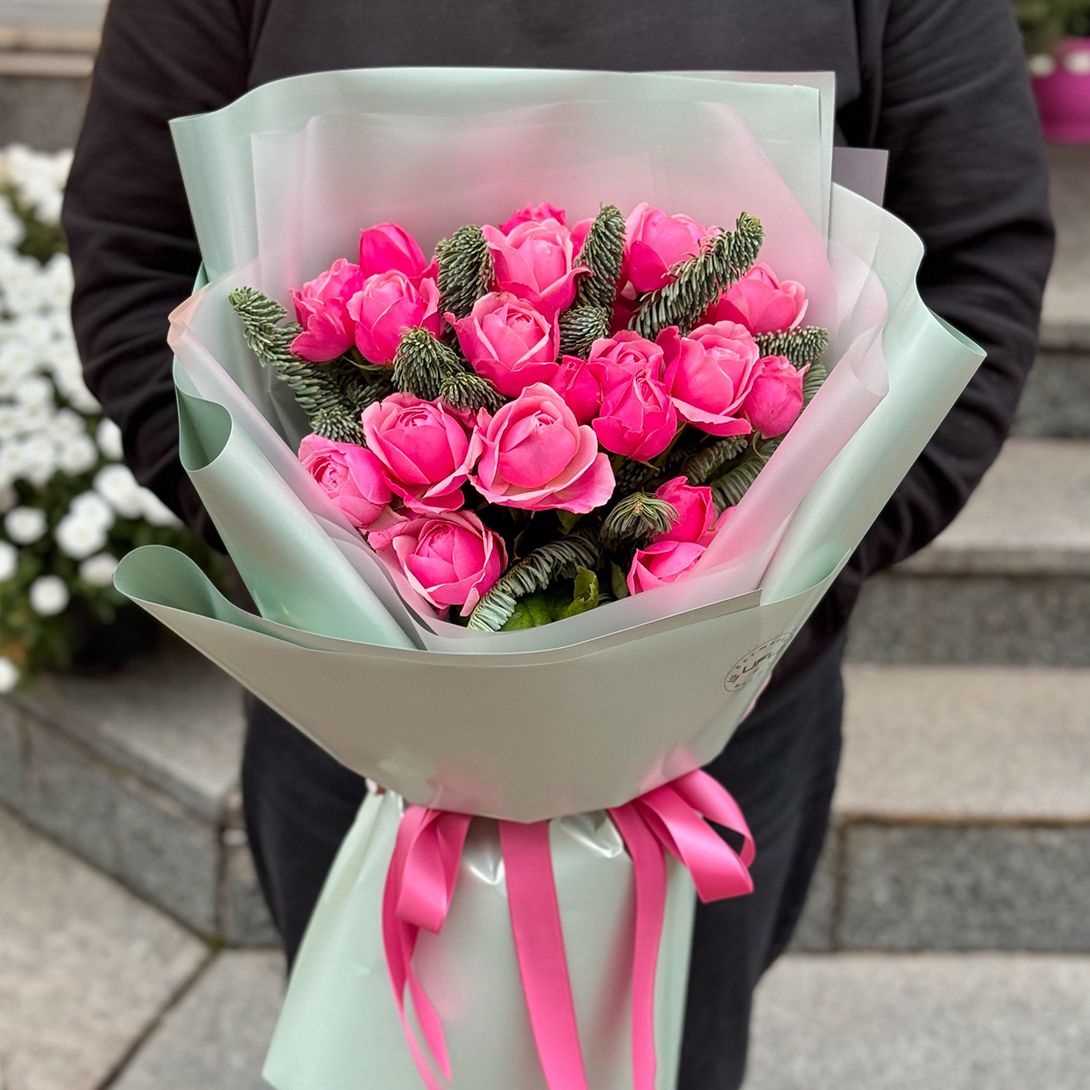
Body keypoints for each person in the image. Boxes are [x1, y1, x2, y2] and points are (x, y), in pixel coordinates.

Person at [63, 2, 1053, 1085]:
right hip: (359, 720)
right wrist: (326, 563)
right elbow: (136, 257)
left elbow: (973, 275)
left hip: (722, 720)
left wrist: (771, 580)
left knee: (679, 1055)